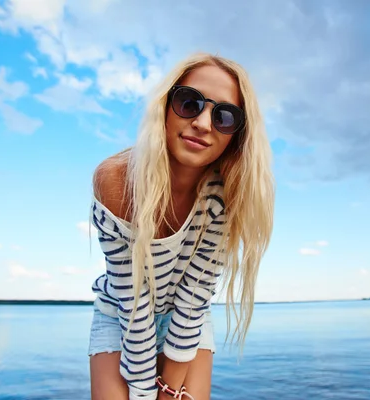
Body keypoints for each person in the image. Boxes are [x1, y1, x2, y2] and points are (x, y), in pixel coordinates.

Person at [88, 52, 274, 400]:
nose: (203, 123)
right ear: (165, 107)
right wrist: (145, 393)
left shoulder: (226, 193)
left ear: (236, 134)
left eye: (224, 116)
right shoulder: (116, 181)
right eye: (189, 102)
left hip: (186, 319)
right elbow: (134, 302)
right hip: (121, 316)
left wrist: (169, 389)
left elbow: (194, 298)